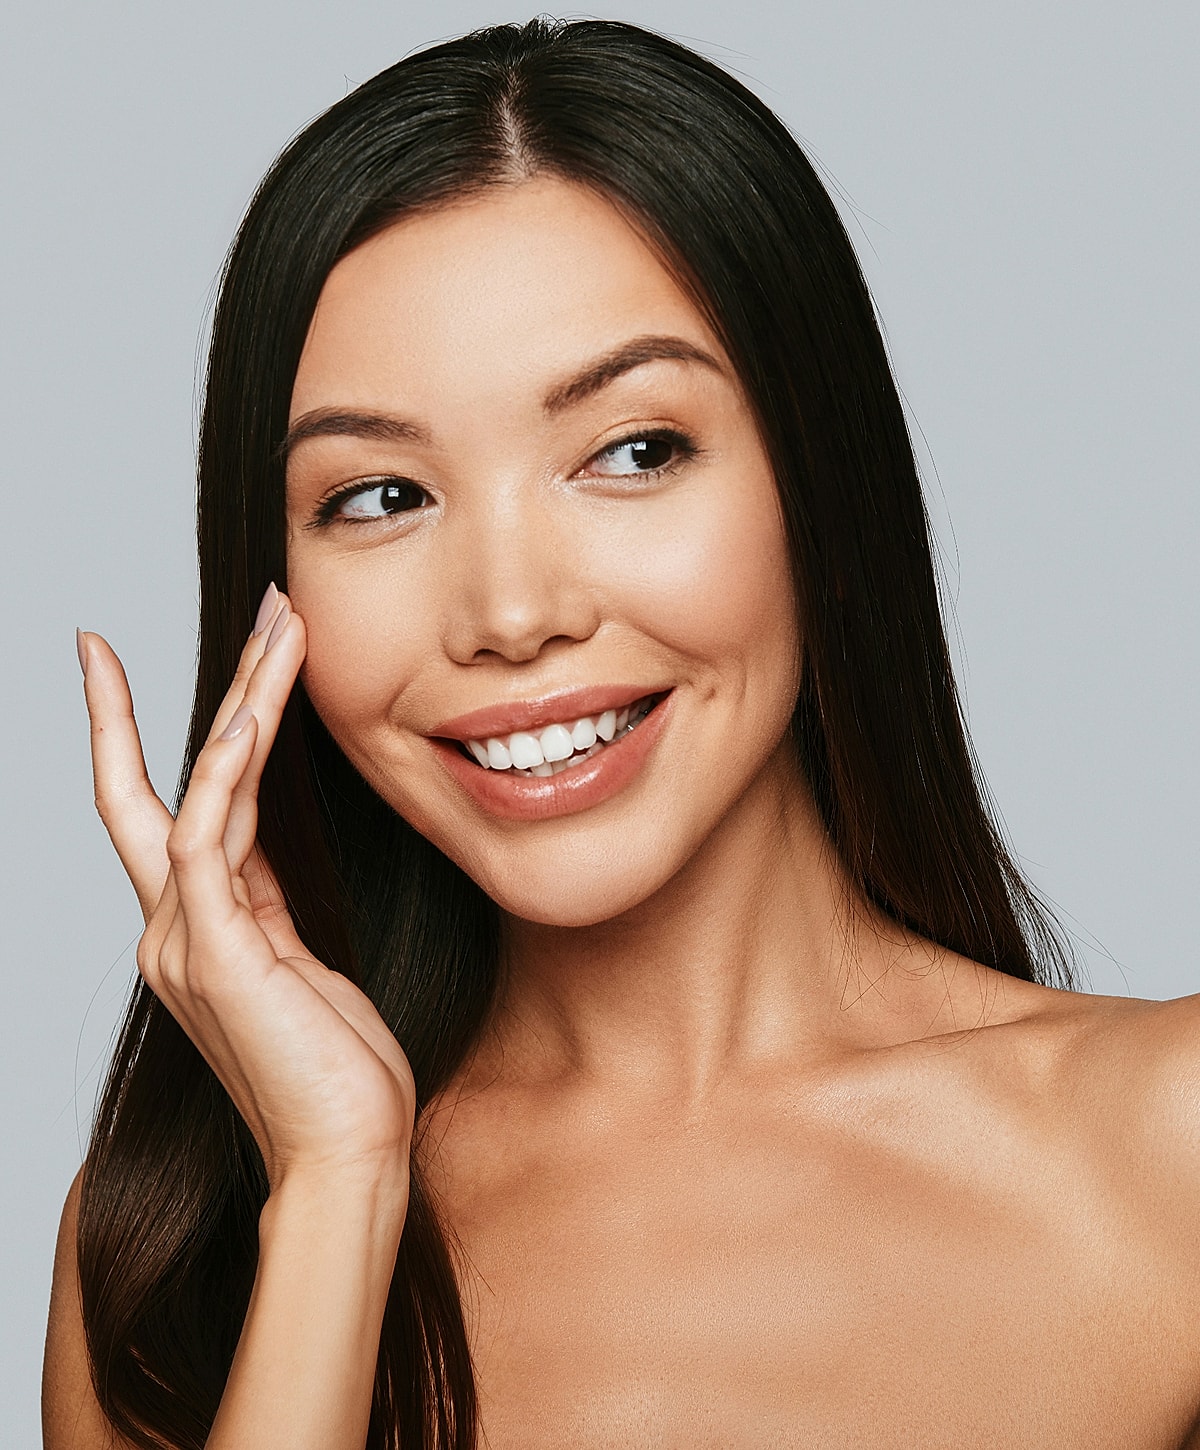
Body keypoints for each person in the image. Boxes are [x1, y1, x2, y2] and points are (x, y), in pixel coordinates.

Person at [41, 16, 1200, 1450]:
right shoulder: (174, 1247)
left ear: (820, 489)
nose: (511, 614)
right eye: (382, 496)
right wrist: (337, 1189)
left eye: (633, 452)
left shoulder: (1168, 1158)